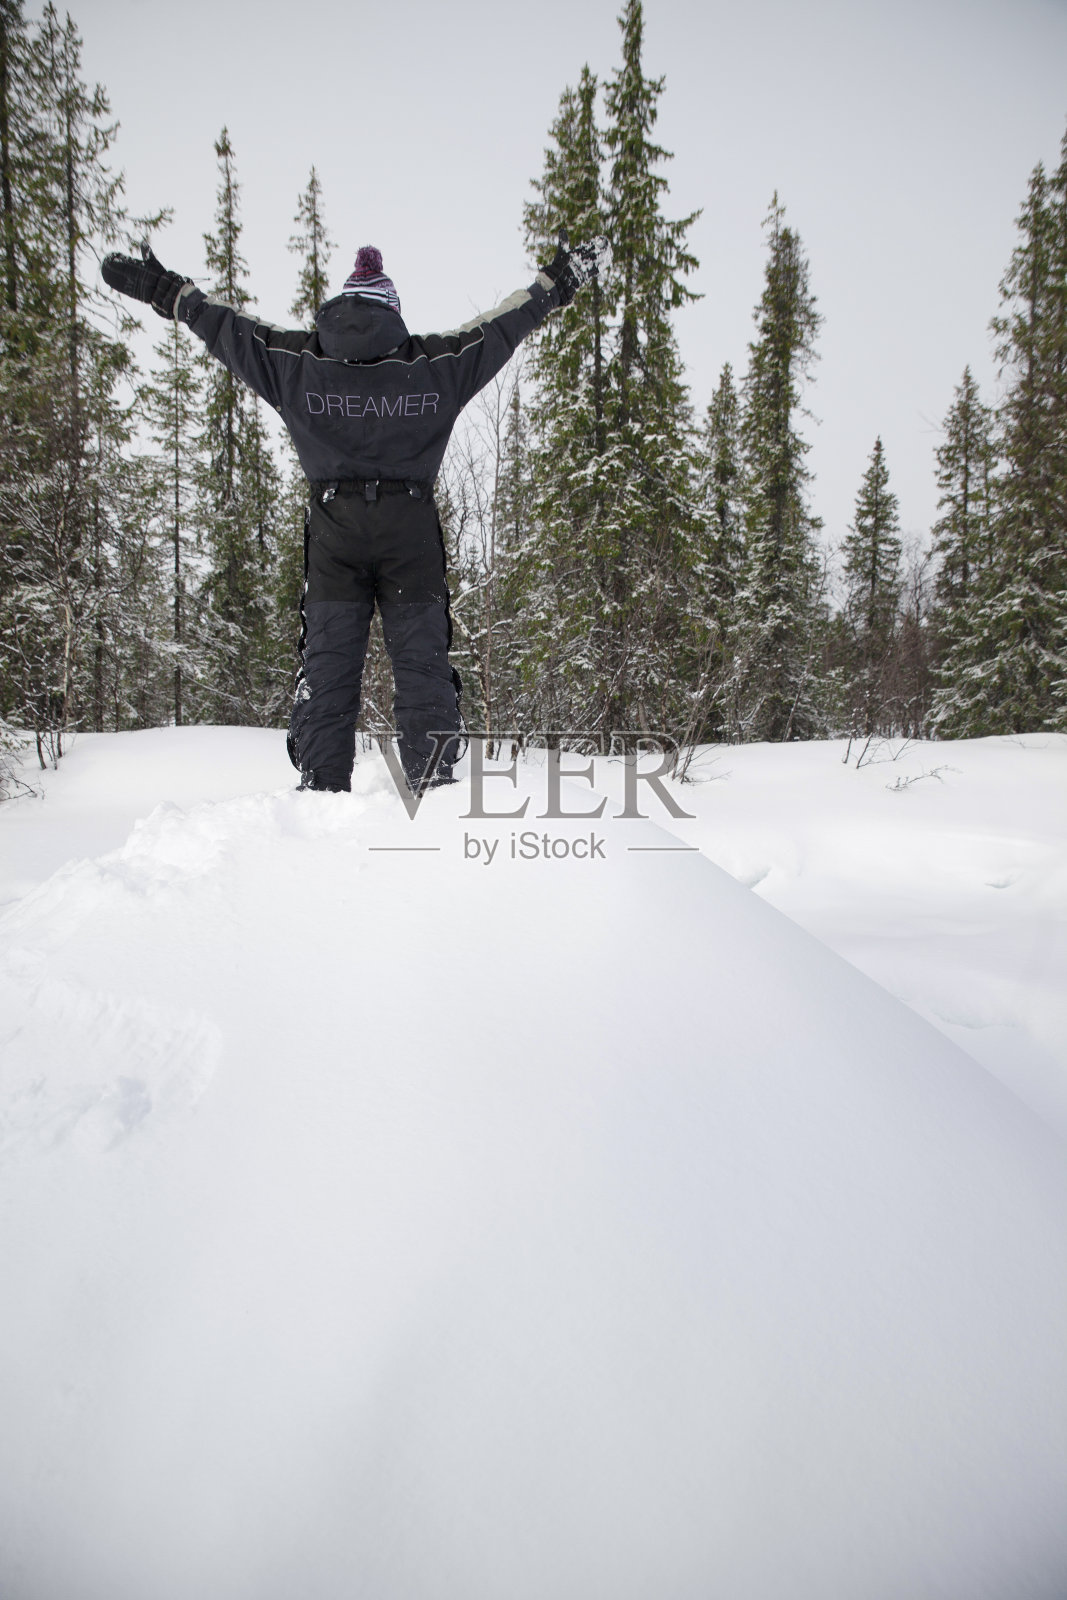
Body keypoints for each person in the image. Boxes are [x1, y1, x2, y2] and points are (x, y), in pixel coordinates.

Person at [102, 232, 606, 795]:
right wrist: (554, 285)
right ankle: (432, 788)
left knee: (329, 666)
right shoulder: (435, 365)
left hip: (335, 532)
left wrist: (164, 289)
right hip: (408, 530)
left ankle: (321, 796)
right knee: (421, 665)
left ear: (343, 307)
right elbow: (502, 328)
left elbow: (222, 327)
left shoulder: (297, 361)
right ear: (392, 312)